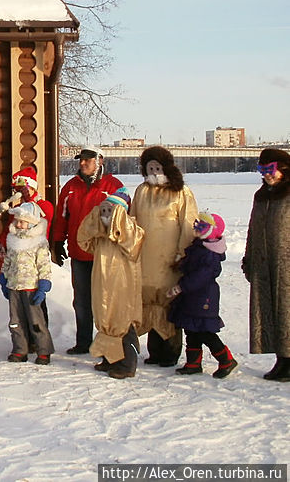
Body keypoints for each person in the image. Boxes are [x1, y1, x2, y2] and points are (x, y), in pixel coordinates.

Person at [51, 146, 123, 355]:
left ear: (99, 161)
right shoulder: (71, 187)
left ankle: (107, 343)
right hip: (78, 254)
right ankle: (83, 342)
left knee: (105, 301)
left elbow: (124, 219)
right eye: (81, 160)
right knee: (81, 301)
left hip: (104, 255)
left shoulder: (113, 186)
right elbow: (61, 217)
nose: (83, 163)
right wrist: (57, 242)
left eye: (87, 160)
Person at [130, 146, 198, 367]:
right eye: (150, 167)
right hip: (146, 257)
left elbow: (188, 223)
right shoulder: (142, 191)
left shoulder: (180, 192)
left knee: (168, 300)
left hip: (169, 258)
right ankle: (155, 350)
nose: (154, 172)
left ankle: (170, 351)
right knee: (148, 301)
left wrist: (183, 254)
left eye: (157, 167)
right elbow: (132, 221)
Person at [77, 188, 145, 380]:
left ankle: (127, 363)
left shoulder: (133, 230)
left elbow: (132, 244)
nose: (106, 215)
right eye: (104, 210)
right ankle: (109, 358)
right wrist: (95, 219)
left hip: (123, 285)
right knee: (105, 317)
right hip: (103, 283)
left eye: (111, 211)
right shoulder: (101, 236)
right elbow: (83, 240)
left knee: (122, 321)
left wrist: (118, 221)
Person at [168, 211, 237, 378]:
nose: (197, 229)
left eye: (202, 227)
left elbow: (201, 276)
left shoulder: (210, 254)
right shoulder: (198, 246)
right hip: (193, 298)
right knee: (191, 330)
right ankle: (193, 363)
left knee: (205, 331)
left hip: (204, 298)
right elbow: (191, 265)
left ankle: (226, 359)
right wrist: (181, 264)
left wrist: (181, 287)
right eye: (196, 225)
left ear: (211, 230)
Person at [242, 148, 290, 381]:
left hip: (286, 263)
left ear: (282, 168)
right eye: (262, 170)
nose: (267, 175)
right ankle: (281, 360)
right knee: (269, 311)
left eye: (270, 169)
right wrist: (249, 257)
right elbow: (253, 228)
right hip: (264, 262)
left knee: (286, 311)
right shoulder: (261, 195)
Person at [0, 202, 54, 364]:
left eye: (22, 221)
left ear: (32, 223)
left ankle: (43, 350)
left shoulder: (39, 243)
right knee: (15, 321)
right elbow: (8, 261)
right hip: (14, 287)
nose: (18, 224)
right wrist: (4, 277)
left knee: (36, 321)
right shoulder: (13, 240)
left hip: (31, 288)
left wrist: (43, 284)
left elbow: (44, 265)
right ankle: (20, 349)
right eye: (17, 221)